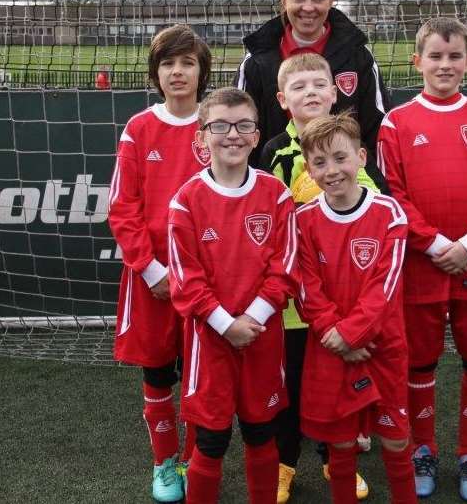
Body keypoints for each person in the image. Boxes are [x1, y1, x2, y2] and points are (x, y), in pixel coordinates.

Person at [376, 17, 467, 502]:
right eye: (435, 56)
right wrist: (436, 246)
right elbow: (394, 196)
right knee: (421, 363)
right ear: (417, 62)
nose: (445, 64)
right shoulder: (396, 123)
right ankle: (423, 449)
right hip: (421, 266)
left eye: (454, 56)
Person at [167, 87, 296, 503]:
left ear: (257, 136)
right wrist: (226, 324)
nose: (232, 135)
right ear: (202, 136)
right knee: (212, 440)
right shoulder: (185, 201)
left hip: (261, 337)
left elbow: (286, 268)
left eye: (243, 126)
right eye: (219, 126)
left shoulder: (276, 195)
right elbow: (186, 280)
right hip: (210, 340)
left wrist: (251, 321)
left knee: (261, 432)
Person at [261, 53, 374, 503]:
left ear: (335, 91)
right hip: (293, 306)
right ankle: (284, 465)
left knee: (335, 387)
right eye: (299, 85)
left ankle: (336, 461)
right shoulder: (275, 152)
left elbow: (381, 210)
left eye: (318, 84)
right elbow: (264, 220)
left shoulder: (353, 149)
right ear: (282, 99)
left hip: (343, 301)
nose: (310, 92)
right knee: (288, 389)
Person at [107, 24, 212, 503]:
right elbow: (122, 208)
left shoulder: (216, 126)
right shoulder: (139, 128)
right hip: (150, 277)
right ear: (156, 72)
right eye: (168, 63)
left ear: (201, 72)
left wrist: (196, 275)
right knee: (156, 372)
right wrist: (151, 270)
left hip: (206, 281)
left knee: (199, 372)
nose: (177, 71)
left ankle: (197, 458)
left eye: (187, 63)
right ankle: (165, 462)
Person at [295, 113, 417, 504]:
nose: (332, 171)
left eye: (340, 158)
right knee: (341, 444)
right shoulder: (303, 221)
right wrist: (338, 337)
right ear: (309, 169)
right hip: (332, 350)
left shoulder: (389, 214)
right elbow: (306, 288)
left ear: (361, 157)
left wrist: (349, 335)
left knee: (396, 441)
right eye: (319, 162)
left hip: (383, 348)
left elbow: (384, 287)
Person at [235, 0, 390, 182]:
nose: (308, 7)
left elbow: (378, 128)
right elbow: (241, 127)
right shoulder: (257, 60)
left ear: (331, 0)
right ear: (284, 0)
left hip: (344, 185)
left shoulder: (357, 55)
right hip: (276, 182)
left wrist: (370, 186)